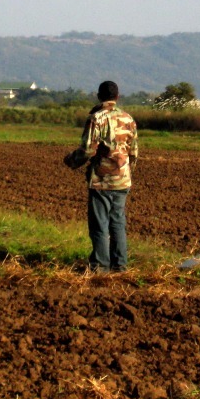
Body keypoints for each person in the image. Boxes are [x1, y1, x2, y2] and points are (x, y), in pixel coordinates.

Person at [63, 81, 138, 272]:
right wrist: (127, 172)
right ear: (117, 97)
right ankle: (120, 266)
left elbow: (88, 149)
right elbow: (134, 152)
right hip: (122, 179)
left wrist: (72, 161)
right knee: (118, 223)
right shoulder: (128, 119)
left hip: (102, 180)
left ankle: (100, 267)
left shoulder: (96, 118)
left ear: (99, 96)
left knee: (99, 225)